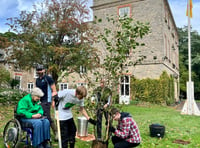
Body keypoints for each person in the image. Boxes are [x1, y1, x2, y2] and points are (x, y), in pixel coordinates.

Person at [35, 64, 58, 140]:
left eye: (41, 70)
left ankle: (56, 133)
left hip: (47, 101)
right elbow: (37, 91)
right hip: (39, 101)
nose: (39, 71)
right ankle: (43, 133)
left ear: (44, 70)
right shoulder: (37, 80)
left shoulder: (48, 79)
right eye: (38, 70)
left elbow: (54, 90)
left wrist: (53, 101)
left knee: (47, 117)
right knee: (40, 117)